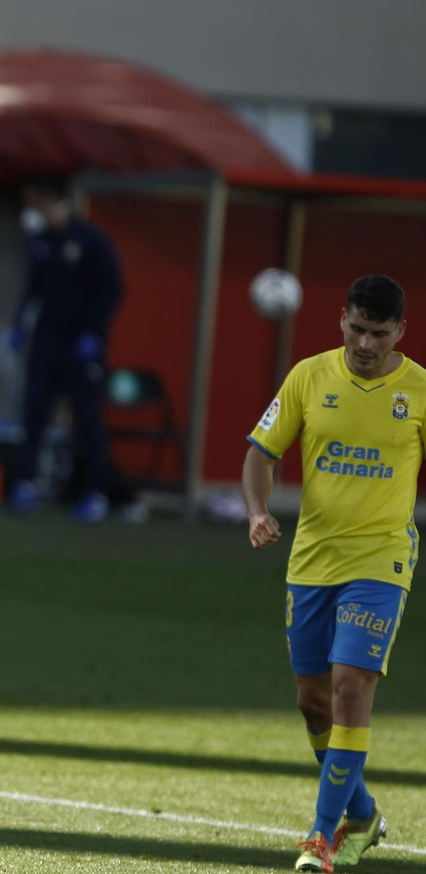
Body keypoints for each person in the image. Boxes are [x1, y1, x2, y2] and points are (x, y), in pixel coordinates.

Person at [245, 275, 423, 873]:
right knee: (314, 703)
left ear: (400, 331)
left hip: (381, 560)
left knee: (350, 688)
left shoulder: (420, 391)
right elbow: (260, 454)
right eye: (357, 329)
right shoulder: (308, 376)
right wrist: (257, 512)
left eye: (379, 333)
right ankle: (364, 813)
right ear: (342, 319)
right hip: (313, 560)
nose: (365, 343)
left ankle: (321, 838)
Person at [8, 175, 124, 523]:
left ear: (56, 202)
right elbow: (33, 289)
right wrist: (19, 325)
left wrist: (94, 332)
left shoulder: (90, 240)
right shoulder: (41, 242)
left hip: (81, 346)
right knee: (34, 414)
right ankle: (25, 485)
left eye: (40, 205)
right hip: (47, 342)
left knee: (87, 420)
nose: (37, 213)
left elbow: (113, 288)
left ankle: (95, 493)